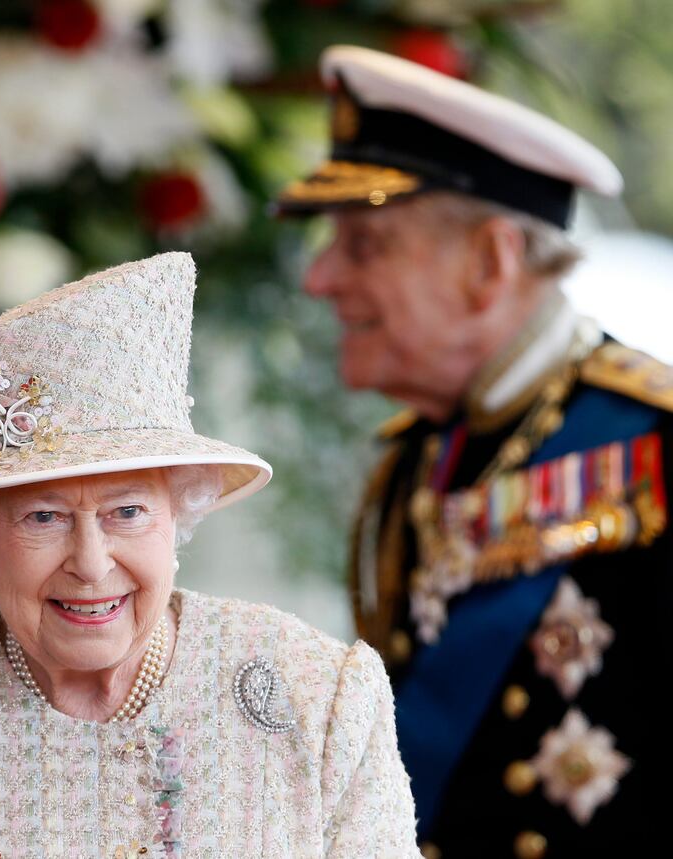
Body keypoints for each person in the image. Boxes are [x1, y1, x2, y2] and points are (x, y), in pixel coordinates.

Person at [0, 252, 420, 858]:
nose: (91, 562)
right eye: (44, 517)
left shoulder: (320, 700)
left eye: (127, 512)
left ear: (178, 513)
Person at [277, 45, 673, 858]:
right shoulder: (420, 454)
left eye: (364, 246)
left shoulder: (654, 447)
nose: (320, 279)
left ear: (490, 262)